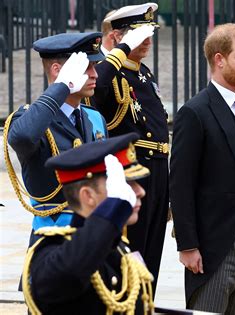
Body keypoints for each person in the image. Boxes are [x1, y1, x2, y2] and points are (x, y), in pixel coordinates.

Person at [170, 23, 235, 314]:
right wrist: (188, 245)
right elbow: (180, 183)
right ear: (219, 60)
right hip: (215, 242)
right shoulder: (195, 112)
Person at [21, 133, 155, 314]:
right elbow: (68, 274)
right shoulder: (51, 252)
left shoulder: (117, 248)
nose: (140, 192)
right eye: (125, 185)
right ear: (88, 196)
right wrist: (114, 208)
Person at [91, 2, 169, 293]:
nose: (148, 40)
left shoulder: (142, 72)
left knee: (150, 259)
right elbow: (97, 90)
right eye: (139, 35)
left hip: (158, 173)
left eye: (149, 33)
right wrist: (120, 51)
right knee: (131, 256)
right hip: (133, 174)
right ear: (116, 38)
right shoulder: (109, 73)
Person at [5, 32, 107, 238]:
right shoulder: (30, 120)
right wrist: (62, 86)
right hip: (54, 238)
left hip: (94, 235)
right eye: (86, 68)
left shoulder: (94, 118)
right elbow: (22, 137)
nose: (95, 74)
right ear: (57, 71)